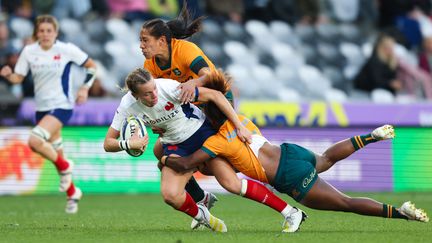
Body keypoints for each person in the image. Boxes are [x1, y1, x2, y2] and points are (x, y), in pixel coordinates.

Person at [160, 72, 430, 230]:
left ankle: (400, 211)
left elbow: (187, 164)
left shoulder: (216, 141)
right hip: (290, 152)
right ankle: (371, 137)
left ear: (209, 115)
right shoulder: (240, 121)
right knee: (325, 159)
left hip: (286, 175)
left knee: (346, 203)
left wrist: (163, 157)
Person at [103, 67, 252, 232]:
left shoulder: (167, 87)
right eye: (147, 93)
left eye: (154, 89)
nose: (154, 95)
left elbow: (215, 95)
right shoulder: (127, 106)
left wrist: (239, 127)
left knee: (232, 182)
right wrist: (129, 144)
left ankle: (285, 209)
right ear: (135, 95)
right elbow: (108, 143)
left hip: (203, 133)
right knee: (170, 195)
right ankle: (203, 216)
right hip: (177, 144)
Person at [139, 1, 233, 226]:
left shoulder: (185, 49)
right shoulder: (150, 65)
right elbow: (158, 98)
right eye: (140, 41)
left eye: (145, 40)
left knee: (219, 162)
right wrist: (157, 123)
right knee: (159, 151)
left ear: (161, 41)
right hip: (190, 110)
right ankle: (201, 198)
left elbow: (210, 74)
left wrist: (194, 84)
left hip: (215, 103)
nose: (141, 46)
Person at [0, 15, 97, 214]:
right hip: (42, 109)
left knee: (35, 141)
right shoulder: (29, 51)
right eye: (41, 31)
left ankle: (65, 165)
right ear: (36, 33)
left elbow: (91, 66)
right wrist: (9, 75)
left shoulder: (66, 50)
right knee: (55, 151)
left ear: (55, 33)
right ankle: (72, 193)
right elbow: (18, 78)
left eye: (49, 31)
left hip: (61, 106)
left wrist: (84, 88)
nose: (45, 34)